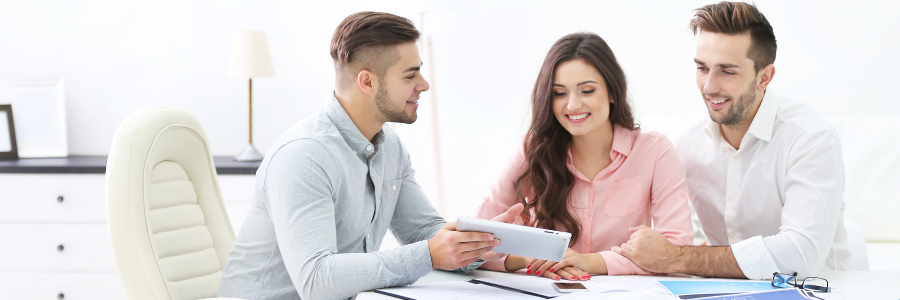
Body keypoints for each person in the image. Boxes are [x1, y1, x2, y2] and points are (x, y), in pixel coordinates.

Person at [218, 12, 523, 299]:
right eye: (409, 75)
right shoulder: (304, 156)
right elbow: (316, 280)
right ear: (367, 82)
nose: (424, 85)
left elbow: (423, 232)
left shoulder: (388, 145)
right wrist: (429, 254)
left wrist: (481, 244)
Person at [613, 1, 850, 280]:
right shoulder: (684, 145)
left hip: (814, 291)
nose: (710, 86)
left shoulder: (811, 140)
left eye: (728, 71)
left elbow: (798, 255)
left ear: (764, 77)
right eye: (702, 68)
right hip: (722, 292)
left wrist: (676, 257)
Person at [471, 32, 693, 282]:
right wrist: (529, 257)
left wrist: (588, 261)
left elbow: (676, 249)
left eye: (586, 91)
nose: (573, 105)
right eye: (559, 93)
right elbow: (474, 239)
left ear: (612, 92)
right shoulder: (531, 150)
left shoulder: (655, 150)